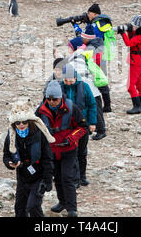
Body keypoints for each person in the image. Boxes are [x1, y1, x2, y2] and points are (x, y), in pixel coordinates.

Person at [36, 80, 87, 217]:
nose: (52, 102)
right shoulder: (41, 110)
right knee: (57, 178)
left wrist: (70, 138)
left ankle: (72, 209)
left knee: (67, 178)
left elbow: (83, 127)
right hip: (51, 151)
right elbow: (35, 128)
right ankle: (62, 202)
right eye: (49, 99)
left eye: (55, 99)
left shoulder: (71, 108)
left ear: (60, 97)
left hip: (68, 150)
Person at [2, 99, 55, 217]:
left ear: (30, 121)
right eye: (17, 123)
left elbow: (47, 158)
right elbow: (6, 155)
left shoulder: (39, 134)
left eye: (24, 122)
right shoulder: (11, 136)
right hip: (22, 176)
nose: (21, 125)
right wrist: (9, 163)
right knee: (19, 209)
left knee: (33, 206)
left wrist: (48, 180)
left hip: (38, 175)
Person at [72, 3, 114, 113]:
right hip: (102, 53)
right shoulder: (103, 23)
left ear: (95, 14)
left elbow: (85, 38)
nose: (87, 15)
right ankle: (107, 104)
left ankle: (98, 104)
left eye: (89, 13)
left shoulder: (94, 25)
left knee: (96, 79)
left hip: (94, 55)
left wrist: (76, 27)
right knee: (102, 79)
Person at [60, 64, 97, 187]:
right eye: (66, 81)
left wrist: (92, 122)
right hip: (66, 127)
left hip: (82, 125)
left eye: (71, 81)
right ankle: (74, 178)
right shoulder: (59, 88)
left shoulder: (85, 87)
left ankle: (82, 176)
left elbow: (92, 105)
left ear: (75, 78)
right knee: (71, 152)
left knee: (82, 151)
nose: (68, 83)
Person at [67, 37, 107, 141]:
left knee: (95, 109)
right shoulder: (82, 55)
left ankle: (101, 130)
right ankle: (93, 128)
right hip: (91, 87)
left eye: (69, 47)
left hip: (89, 89)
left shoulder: (76, 58)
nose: (68, 49)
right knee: (94, 108)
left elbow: (78, 75)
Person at [116, 15, 141, 114]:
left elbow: (129, 43)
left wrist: (123, 33)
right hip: (140, 62)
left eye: (133, 26)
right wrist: (128, 31)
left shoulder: (140, 37)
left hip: (136, 63)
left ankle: (137, 106)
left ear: (138, 27)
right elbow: (133, 37)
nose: (132, 27)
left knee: (130, 85)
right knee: (139, 83)